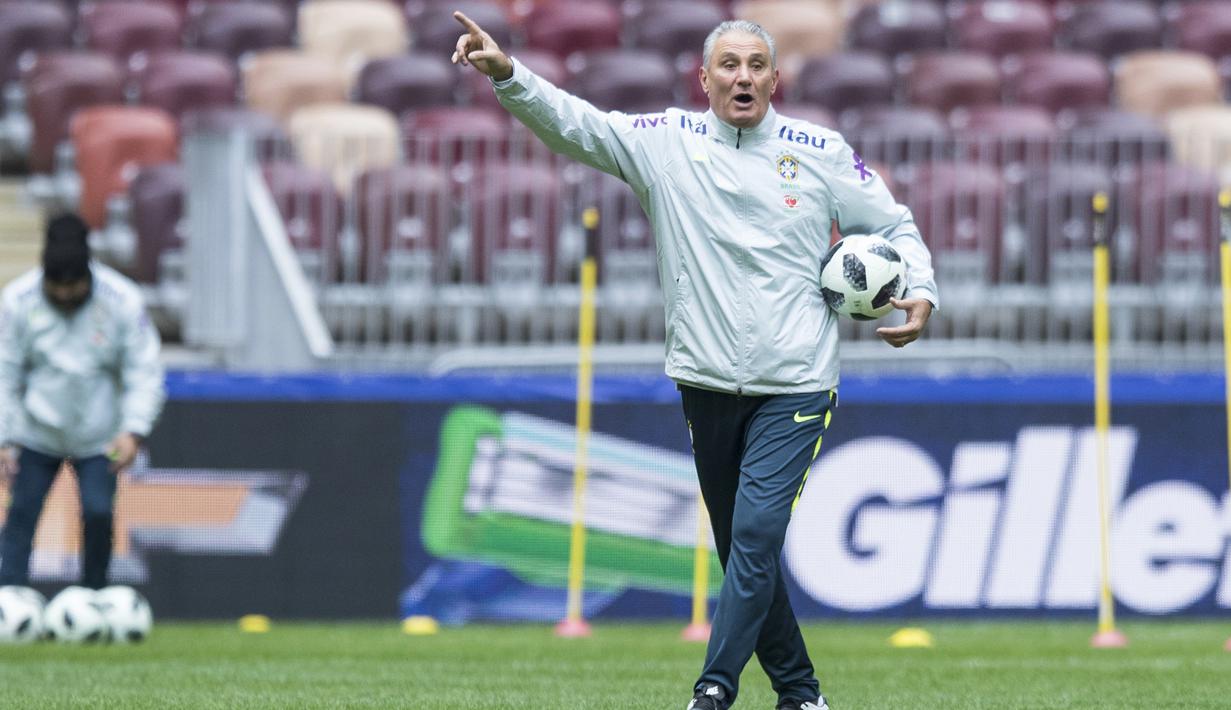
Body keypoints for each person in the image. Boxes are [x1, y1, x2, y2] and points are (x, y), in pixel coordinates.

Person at [452, 12, 938, 710]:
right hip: (704, 379)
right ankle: (801, 695)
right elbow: (578, 124)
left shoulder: (820, 148)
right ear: (702, 77)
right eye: (729, 65)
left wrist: (917, 287)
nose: (743, 77)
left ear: (776, 78)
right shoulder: (666, 141)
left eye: (756, 66)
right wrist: (508, 75)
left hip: (795, 381)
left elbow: (891, 225)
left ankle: (712, 690)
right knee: (746, 551)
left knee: (754, 534)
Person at [0, 213, 165, 590]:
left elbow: (144, 370)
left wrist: (133, 431)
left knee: (99, 512)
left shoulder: (122, 299)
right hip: (36, 434)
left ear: (88, 273)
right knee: (21, 515)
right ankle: (8, 603)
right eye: (55, 287)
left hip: (100, 437)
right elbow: (4, 373)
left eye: (73, 287)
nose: (64, 295)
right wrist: (4, 439)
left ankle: (94, 597)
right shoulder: (17, 301)